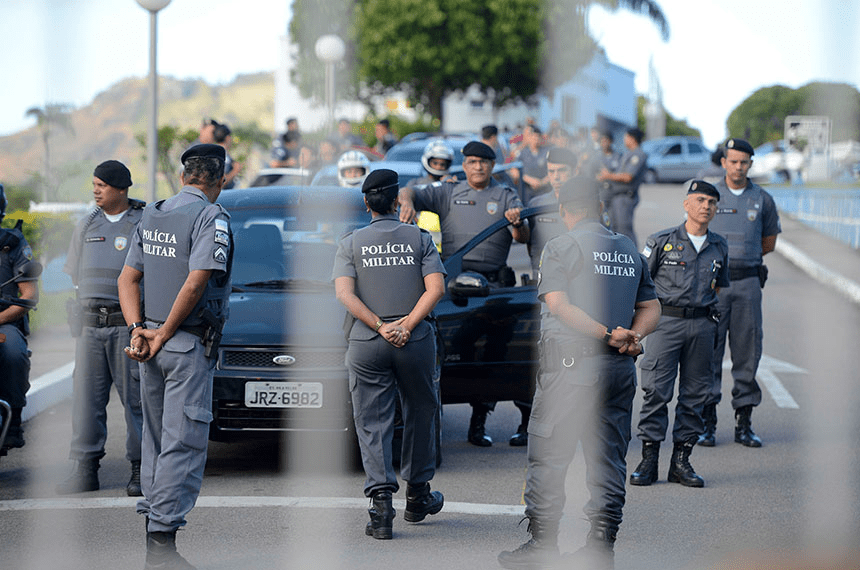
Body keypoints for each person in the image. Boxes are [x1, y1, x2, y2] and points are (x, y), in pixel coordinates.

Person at [498, 175, 660, 570]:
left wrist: (606, 334)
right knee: (608, 458)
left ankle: (542, 545)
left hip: (571, 369)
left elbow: (558, 305)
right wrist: (630, 336)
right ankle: (601, 546)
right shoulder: (628, 250)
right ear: (600, 208)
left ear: (565, 210)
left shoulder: (561, 246)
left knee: (550, 454)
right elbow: (652, 307)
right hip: (619, 370)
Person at [118, 143, 232, 570]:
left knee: (156, 438)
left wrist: (139, 331)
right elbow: (196, 283)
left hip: (148, 344)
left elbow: (127, 279)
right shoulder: (210, 216)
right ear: (218, 180)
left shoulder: (154, 213)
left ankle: (153, 527)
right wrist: (165, 333)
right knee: (183, 440)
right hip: (182, 343)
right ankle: (162, 542)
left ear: (184, 176)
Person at [333, 169, 447, 540]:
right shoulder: (419, 238)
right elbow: (436, 288)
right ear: (398, 200)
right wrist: (407, 326)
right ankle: (418, 496)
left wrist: (380, 327)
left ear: (366, 203)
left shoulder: (351, 242)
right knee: (420, 411)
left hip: (367, 343)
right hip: (414, 342)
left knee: (372, 421)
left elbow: (345, 295)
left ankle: (381, 507)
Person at [398, 141, 530, 448]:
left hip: (494, 286)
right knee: (461, 351)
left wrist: (517, 222)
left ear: (492, 165)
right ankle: (468, 418)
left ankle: (514, 422)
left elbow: (522, 237)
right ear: (465, 164)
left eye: (484, 162)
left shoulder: (506, 194)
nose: (478, 167)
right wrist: (407, 202)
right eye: (472, 162)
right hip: (455, 283)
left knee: (505, 352)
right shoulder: (449, 190)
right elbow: (411, 191)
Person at [630, 180, 729, 489]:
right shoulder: (662, 241)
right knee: (656, 391)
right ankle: (648, 461)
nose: (706, 206)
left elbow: (719, 286)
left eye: (712, 202)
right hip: (666, 323)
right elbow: (640, 282)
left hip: (702, 326)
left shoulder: (720, 245)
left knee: (695, 395)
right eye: (700, 200)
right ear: (686, 204)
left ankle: (681, 462)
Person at [56, 160, 145, 496]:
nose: (95, 190)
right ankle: (85, 470)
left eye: (102, 185)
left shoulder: (143, 222)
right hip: (91, 327)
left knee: (136, 401)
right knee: (86, 401)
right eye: (93, 184)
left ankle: (139, 471)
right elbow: (76, 276)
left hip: (126, 327)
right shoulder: (86, 225)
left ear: (121, 188)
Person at [700, 138, 781, 448]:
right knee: (710, 352)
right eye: (732, 161)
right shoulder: (709, 196)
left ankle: (743, 423)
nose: (738, 167)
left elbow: (769, 242)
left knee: (748, 352)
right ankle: (707, 423)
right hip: (713, 285)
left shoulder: (762, 199)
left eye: (744, 162)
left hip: (747, 284)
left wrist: (743, 258)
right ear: (723, 162)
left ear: (750, 164)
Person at [0, 183, 39, 456]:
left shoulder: (12, 243)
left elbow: (29, 295)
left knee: (14, 353)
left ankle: (13, 419)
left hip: (4, 320)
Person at [525, 147, 575, 276]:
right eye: (551, 172)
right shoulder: (536, 204)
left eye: (562, 171)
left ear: (574, 171)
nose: (556, 177)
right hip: (543, 276)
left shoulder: (589, 204)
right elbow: (530, 243)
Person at [597, 127, 647, 248]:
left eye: (626, 137)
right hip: (616, 196)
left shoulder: (638, 154)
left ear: (632, 138)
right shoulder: (628, 154)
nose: (624, 140)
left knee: (625, 229)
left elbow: (628, 176)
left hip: (625, 197)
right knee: (615, 228)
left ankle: (633, 258)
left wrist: (608, 175)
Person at [213, 123, 242, 190]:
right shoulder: (222, 155)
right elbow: (218, 183)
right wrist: (235, 171)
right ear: (227, 138)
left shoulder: (214, 152)